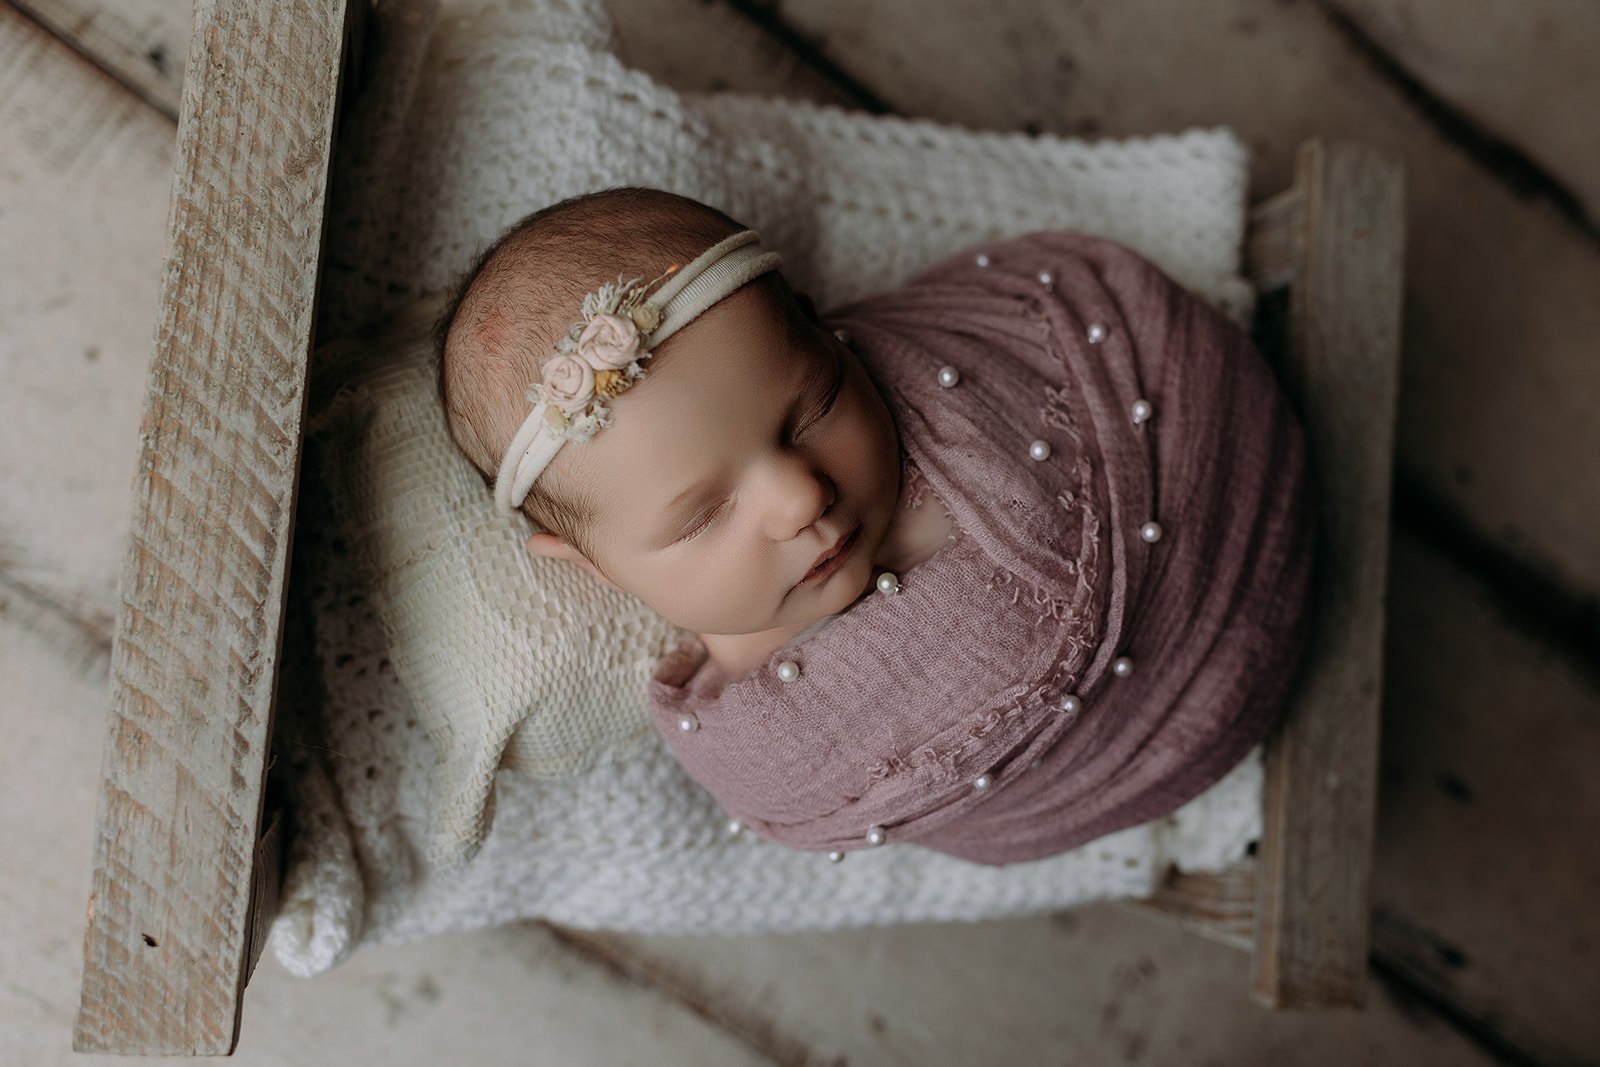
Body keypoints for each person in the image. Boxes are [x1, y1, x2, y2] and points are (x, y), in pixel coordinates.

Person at [437, 186, 1317, 865]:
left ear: (829, 329)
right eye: (703, 514)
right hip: (1152, 739)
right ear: (592, 567)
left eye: (812, 406)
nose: (798, 496)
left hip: (1198, 468)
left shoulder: (945, 400)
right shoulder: (765, 739)